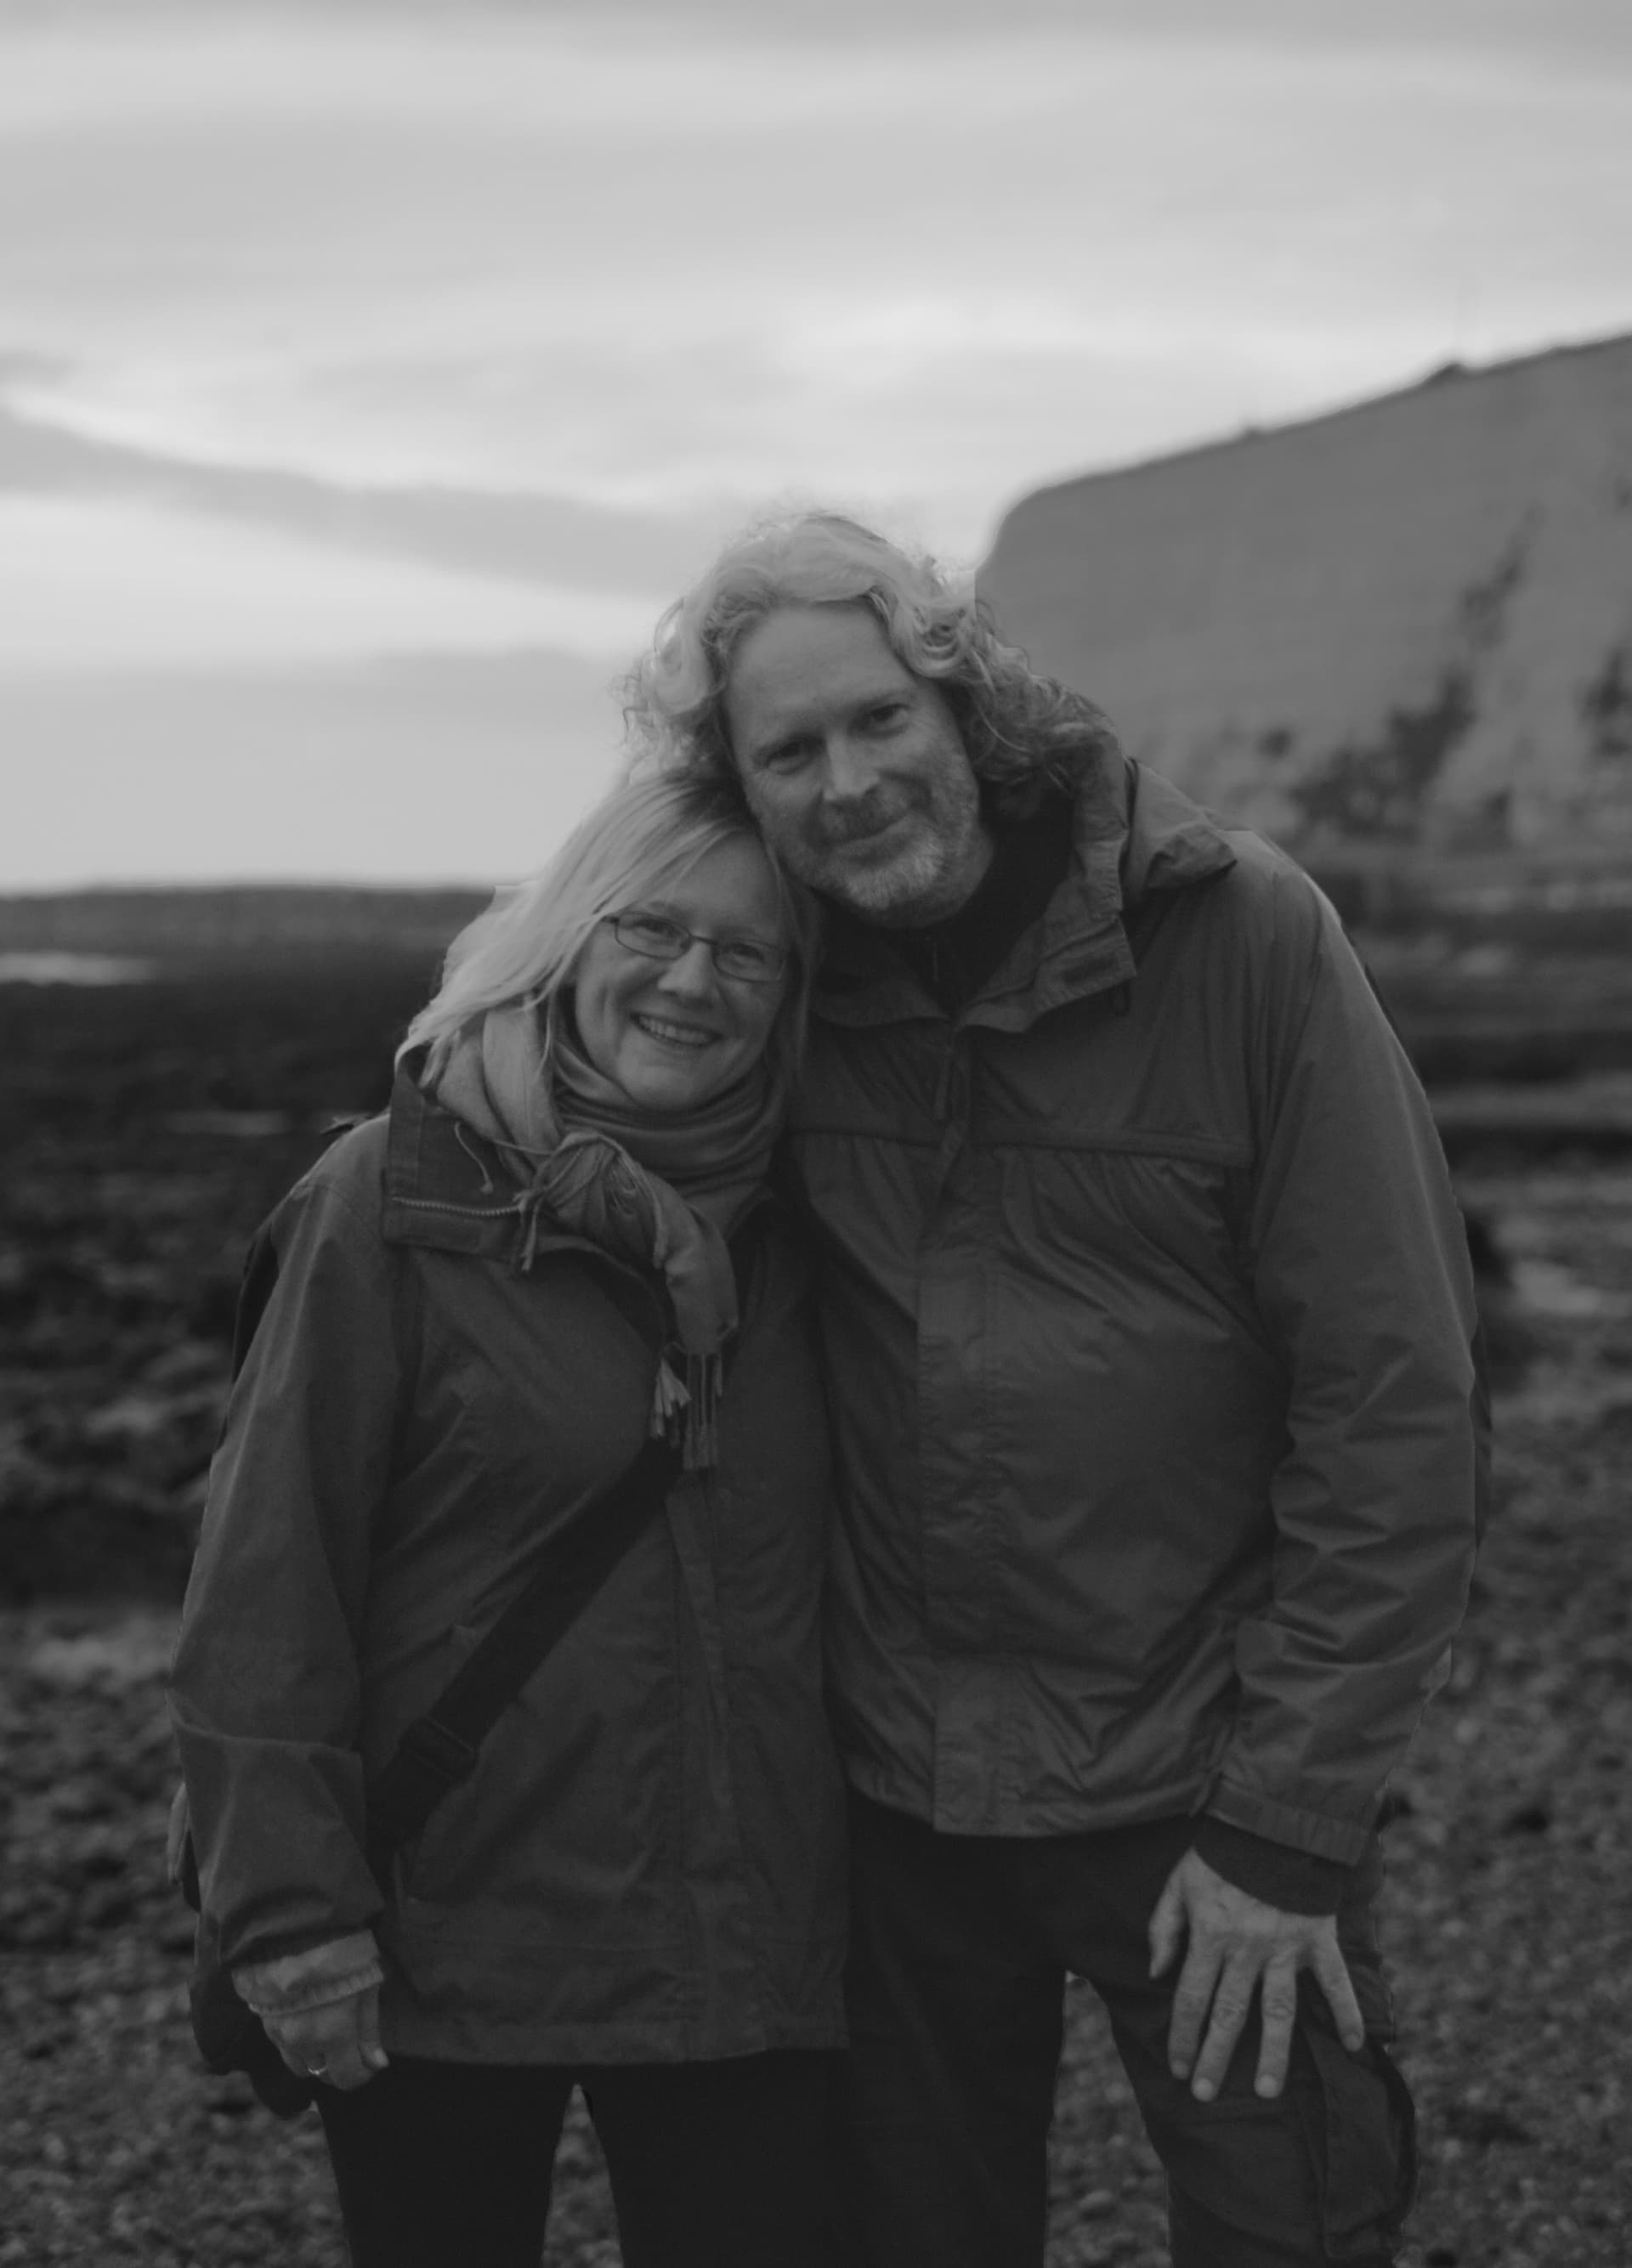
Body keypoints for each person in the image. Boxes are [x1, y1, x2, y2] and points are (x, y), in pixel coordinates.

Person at [623, 512, 1488, 2268]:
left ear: (967, 698)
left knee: (1293, 2232)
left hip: (1205, 1782)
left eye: (879, 720)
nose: (850, 783)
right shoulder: (790, 985)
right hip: (897, 1807)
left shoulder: (1243, 939)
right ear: (744, 791)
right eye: (789, 753)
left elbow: (1393, 1401)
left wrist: (1293, 1826)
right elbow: (585, 1075)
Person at [168, 770, 847, 2268]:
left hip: (751, 1938)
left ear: (793, 996)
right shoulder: (391, 1199)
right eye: (651, 926)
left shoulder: (822, 1224)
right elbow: (267, 1587)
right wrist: (291, 1917)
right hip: (443, 1935)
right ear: (565, 935)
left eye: (747, 953)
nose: (690, 980)